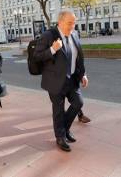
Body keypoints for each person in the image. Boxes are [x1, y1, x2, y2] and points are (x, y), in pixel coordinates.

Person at [33, 11, 89, 152]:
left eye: (74, 22)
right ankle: (60, 137)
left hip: (72, 79)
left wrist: (83, 74)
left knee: (78, 102)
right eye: (70, 23)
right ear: (60, 22)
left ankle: (64, 130)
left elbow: (79, 58)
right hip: (55, 80)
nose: (73, 26)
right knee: (58, 110)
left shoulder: (74, 34)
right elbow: (37, 56)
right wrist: (52, 49)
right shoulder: (48, 35)